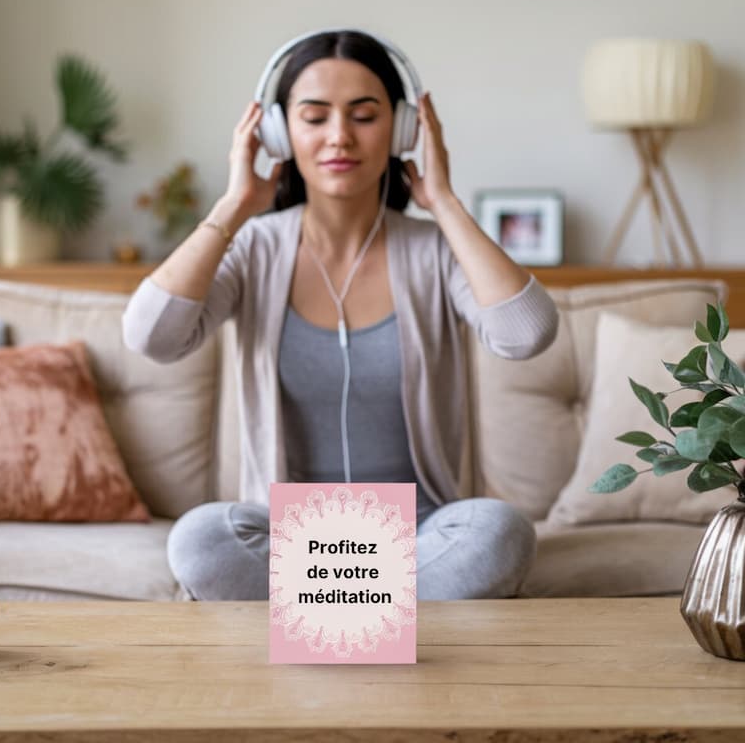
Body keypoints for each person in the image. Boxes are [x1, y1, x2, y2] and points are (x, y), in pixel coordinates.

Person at [122, 29, 559, 601]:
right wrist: (232, 207)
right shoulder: (255, 249)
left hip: (420, 532)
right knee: (200, 540)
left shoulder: (433, 251)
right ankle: (391, 614)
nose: (339, 137)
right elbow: (150, 336)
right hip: (292, 537)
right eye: (314, 116)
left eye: (364, 115)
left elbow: (526, 334)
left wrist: (444, 204)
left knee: (499, 533)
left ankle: (320, 613)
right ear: (279, 133)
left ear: (404, 130)